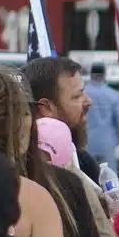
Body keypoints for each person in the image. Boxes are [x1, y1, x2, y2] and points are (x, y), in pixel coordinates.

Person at [24, 55, 100, 183]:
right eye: (77, 96)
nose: (88, 101)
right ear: (46, 107)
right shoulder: (19, 170)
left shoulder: (85, 163)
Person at [84, 62, 119, 170]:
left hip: (86, 143)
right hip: (107, 143)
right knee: (109, 180)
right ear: (104, 75)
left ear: (91, 74)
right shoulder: (113, 95)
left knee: (88, 179)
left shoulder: (82, 94)